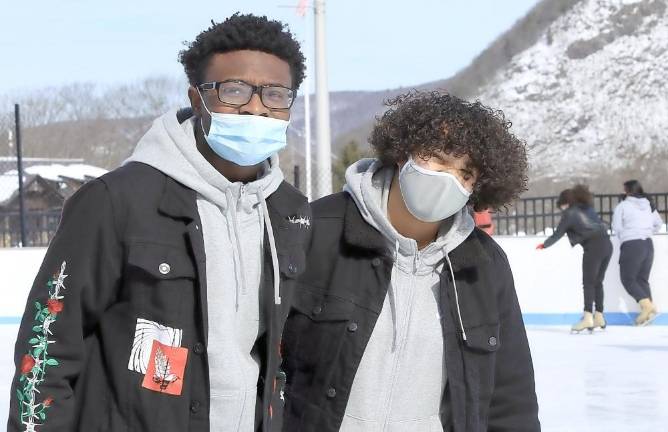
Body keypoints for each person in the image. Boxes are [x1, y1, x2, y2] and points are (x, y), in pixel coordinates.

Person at [8, 14, 311, 432]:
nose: (256, 107)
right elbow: (47, 349)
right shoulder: (118, 201)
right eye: (234, 90)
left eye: (275, 94)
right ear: (197, 97)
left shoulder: (290, 213)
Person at [281, 91, 540, 431]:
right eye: (436, 157)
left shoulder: (484, 265)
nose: (447, 177)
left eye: (465, 173)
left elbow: (510, 395)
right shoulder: (318, 230)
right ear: (403, 154)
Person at [536, 185, 613, 333]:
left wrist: (544, 245)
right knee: (598, 282)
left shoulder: (570, 213)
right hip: (607, 245)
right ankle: (599, 316)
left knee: (588, 283)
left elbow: (558, 234)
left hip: (593, 248)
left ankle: (587, 318)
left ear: (565, 202)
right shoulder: (588, 208)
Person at [612, 180, 663, 326]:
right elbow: (658, 224)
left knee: (627, 279)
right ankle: (649, 314)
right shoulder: (648, 205)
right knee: (642, 279)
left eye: (623, 190)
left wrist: (628, 236)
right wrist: (645, 232)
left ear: (628, 191)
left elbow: (617, 227)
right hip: (648, 244)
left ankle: (647, 307)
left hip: (632, 244)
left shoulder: (623, 206)